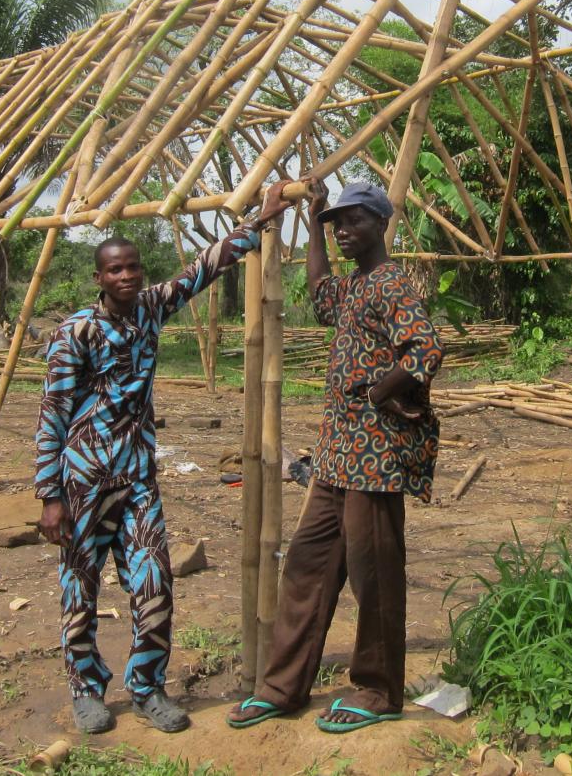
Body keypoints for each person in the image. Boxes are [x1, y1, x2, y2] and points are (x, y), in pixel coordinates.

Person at [35, 182, 293, 735]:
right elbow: (52, 416)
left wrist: (260, 219)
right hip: (82, 482)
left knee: (154, 584)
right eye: (114, 270)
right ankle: (85, 690)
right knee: (79, 588)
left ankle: (148, 687)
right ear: (99, 278)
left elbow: (203, 268)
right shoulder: (75, 332)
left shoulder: (151, 309)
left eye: (132, 267)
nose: (126, 276)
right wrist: (48, 496)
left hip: (138, 481)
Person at [228, 176, 444, 734]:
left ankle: (378, 690)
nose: (343, 231)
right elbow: (320, 287)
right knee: (307, 567)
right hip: (336, 456)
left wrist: (378, 392)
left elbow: (425, 348)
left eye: (352, 221)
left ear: (380, 224)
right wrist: (314, 216)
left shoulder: (391, 283)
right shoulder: (354, 286)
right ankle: (282, 686)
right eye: (337, 224)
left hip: (375, 458)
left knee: (374, 575)